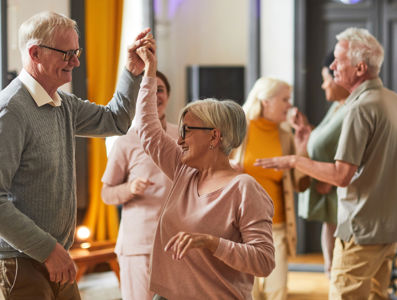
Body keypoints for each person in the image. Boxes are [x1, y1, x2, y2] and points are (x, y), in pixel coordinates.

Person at [0, 11, 154, 299]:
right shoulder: (10, 111)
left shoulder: (62, 104)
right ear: (35, 53)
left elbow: (115, 120)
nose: (76, 62)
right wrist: (47, 250)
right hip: (21, 262)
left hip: (55, 256)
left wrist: (131, 71)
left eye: (76, 52)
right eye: (67, 54)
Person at [256, 27, 397, 299]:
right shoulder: (391, 100)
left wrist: (295, 160)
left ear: (360, 68)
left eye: (339, 60)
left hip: (361, 229)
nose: (332, 65)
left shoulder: (358, 107)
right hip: (389, 229)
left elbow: (341, 175)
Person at [132, 44, 275, 300]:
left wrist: (211, 242)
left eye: (187, 130)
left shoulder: (244, 188)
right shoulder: (183, 170)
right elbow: (148, 129)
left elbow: (264, 260)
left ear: (214, 136)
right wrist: (149, 72)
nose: (179, 139)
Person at [101, 71, 178, 300]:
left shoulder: (182, 137)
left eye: (160, 89)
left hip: (178, 244)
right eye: (148, 89)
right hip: (140, 246)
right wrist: (130, 188)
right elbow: (106, 193)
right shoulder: (126, 140)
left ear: (168, 96)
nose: (155, 95)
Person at [232, 77, 309, 300]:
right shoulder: (238, 130)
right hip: (240, 227)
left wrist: (301, 151)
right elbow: (213, 170)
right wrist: (228, 168)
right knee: (247, 293)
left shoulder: (285, 136)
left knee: (277, 292)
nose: (290, 105)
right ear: (265, 101)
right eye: (284, 99)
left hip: (277, 228)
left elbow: (301, 185)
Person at [294, 52, 350, 278]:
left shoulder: (351, 109)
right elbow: (327, 139)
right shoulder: (337, 106)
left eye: (326, 77)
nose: (323, 83)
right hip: (330, 194)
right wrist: (309, 131)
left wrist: (333, 182)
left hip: (339, 191)